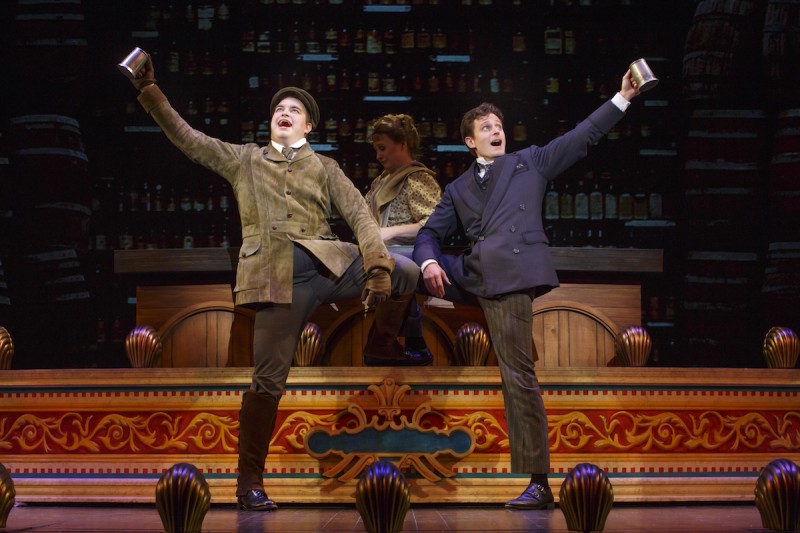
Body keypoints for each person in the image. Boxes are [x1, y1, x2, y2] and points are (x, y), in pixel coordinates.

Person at [127, 55, 420, 512]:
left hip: (328, 264)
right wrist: (151, 91)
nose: (284, 112)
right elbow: (188, 139)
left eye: (294, 110)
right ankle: (250, 483)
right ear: (272, 123)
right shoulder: (245, 159)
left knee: (406, 271)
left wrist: (378, 266)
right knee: (267, 381)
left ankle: (382, 340)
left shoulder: (324, 166)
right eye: (278, 109)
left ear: (307, 127)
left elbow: (360, 215)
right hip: (275, 277)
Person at [413, 69, 640, 510]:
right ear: (470, 142)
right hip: (473, 272)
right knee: (401, 265)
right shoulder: (457, 188)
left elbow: (581, 136)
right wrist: (426, 262)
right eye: (486, 128)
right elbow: (428, 233)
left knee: (517, 375)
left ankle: (539, 481)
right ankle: (402, 343)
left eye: (499, 126)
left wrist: (623, 97)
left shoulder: (529, 162)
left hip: (509, 276)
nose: (496, 131)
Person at [363, 114, 442, 366]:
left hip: (410, 253)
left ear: (403, 145)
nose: (378, 156)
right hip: (380, 253)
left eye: (383, 148)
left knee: (397, 266)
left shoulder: (418, 179)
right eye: (376, 149)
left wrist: (390, 232)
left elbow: (433, 226)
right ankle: (413, 343)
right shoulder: (379, 182)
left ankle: (397, 342)